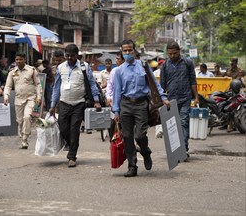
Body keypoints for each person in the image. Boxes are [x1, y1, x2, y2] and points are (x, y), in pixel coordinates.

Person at [112, 39, 169, 177]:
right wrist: (116, 110)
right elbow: (117, 91)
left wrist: (163, 98)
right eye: (124, 51)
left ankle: (145, 151)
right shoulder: (119, 71)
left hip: (141, 104)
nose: (127, 53)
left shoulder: (143, 66)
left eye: (129, 50)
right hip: (125, 104)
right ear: (122, 51)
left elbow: (153, 84)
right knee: (127, 136)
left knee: (140, 135)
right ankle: (132, 166)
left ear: (134, 50)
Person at [49, 44, 101, 167]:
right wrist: (52, 104)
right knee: (63, 128)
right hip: (63, 103)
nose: (70, 58)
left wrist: (96, 100)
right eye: (67, 55)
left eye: (72, 56)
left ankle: (72, 156)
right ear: (65, 55)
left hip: (79, 103)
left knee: (74, 129)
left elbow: (92, 84)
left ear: (77, 55)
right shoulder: (60, 67)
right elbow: (56, 87)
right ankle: (70, 143)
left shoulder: (84, 67)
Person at [160, 41, 199, 160]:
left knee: (183, 123)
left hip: (185, 98)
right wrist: (163, 98)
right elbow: (162, 85)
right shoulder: (165, 65)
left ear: (179, 51)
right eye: (170, 54)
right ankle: (175, 151)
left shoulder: (187, 62)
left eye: (175, 53)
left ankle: (183, 150)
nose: (172, 56)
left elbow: (193, 80)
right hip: (171, 100)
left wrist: (196, 97)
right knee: (173, 126)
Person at [3, 52, 42, 149]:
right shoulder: (12, 72)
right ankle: (22, 138)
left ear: (24, 60)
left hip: (30, 98)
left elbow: (38, 84)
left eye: (20, 59)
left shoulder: (31, 70)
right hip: (18, 99)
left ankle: (25, 139)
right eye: (17, 59)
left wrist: (39, 97)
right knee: (20, 121)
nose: (18, 61)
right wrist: (6, 96)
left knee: (27, 117)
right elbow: (8, 86)